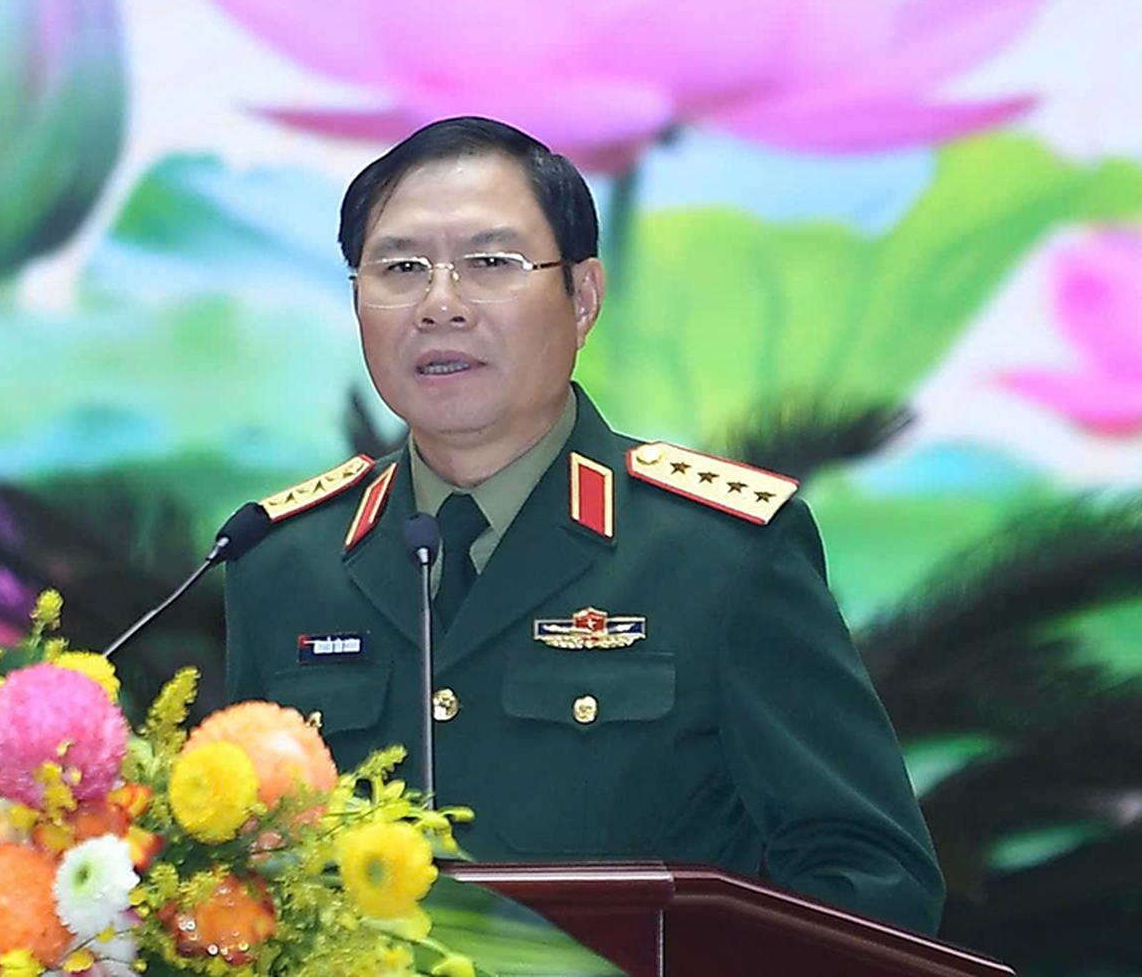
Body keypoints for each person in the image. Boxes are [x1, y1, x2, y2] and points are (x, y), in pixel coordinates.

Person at [223, 116, 944, 934]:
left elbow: (872, 876)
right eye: (400, 269)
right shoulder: (281, 562)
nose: (440, 305)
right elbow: (239, 874)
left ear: (583, 297)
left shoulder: (719, 553)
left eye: (490, 263)